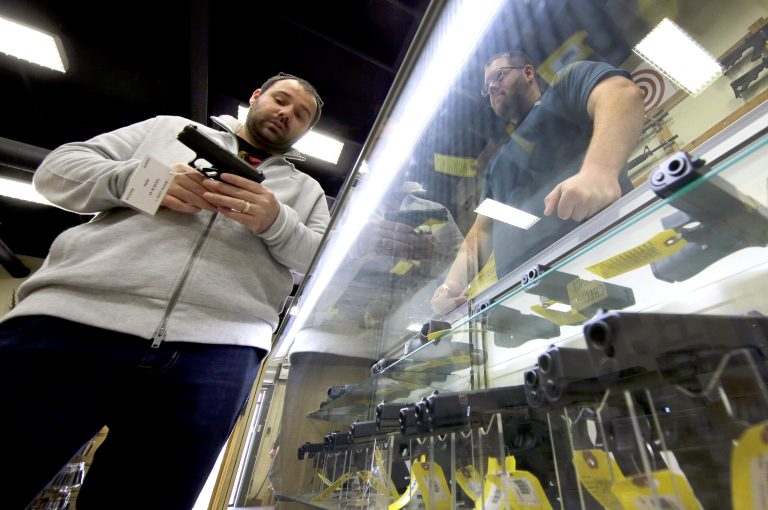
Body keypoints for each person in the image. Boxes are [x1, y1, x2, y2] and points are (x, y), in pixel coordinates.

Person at [0, 73, 330, 509]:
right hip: (72, 322)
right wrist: (146, 180)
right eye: (280, 100)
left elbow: (321, 265)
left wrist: (276, 221)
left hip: (216, 352)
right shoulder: (165, 129)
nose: (286, 113)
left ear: (305, 130)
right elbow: (57, 172)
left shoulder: (307, 192)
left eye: (300, 114)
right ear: (255, 98)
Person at [432, 51, 644, 314]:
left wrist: (599, 170)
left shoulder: (564, 89)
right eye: (486, 87)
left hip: (606, 266)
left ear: (528, 73)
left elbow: (621, 94)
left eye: (498, 75)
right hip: (532, 302)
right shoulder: (497, 164)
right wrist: (450, 288)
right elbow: (482, 231)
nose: (491, 86)